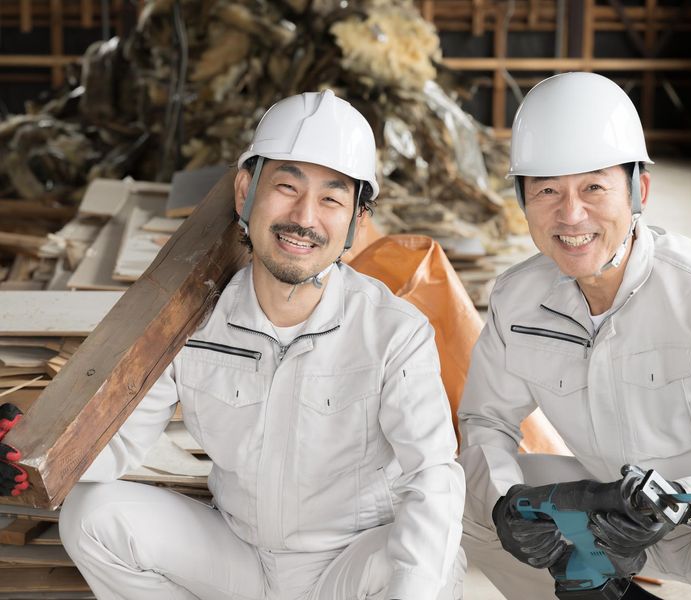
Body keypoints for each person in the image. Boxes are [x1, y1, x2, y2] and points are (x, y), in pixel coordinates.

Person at [1, 90, 466, 599]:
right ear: (245, 191)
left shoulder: (394, 332)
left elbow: (432, 476)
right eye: (286, 187)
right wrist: (24, 452)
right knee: (93, 516)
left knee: (434, 561)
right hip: (240, 556)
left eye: (331, 199)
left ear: (356, 220)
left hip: (347, 568)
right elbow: (117, 442)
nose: (304, 217)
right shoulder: (197, 323)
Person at [457, 71, 691, 600]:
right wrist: (507, 505)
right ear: (522, 199)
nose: (571, 215)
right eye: (547, 190)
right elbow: (486, 420)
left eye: (594, 187)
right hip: (608, 518)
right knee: (463, 498)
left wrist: (682, 498)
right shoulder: (518, 300)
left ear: (639, 190)